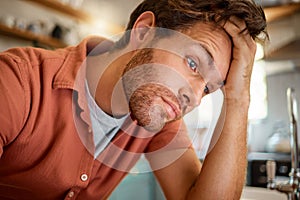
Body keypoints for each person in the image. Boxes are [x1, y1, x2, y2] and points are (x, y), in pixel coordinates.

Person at [0, 0, 267, 199]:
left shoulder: (156, 111)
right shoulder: (17, 81)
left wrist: (239, 97)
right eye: (193, 63)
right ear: (143, 31)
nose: (195, 98)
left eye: (208, 89)